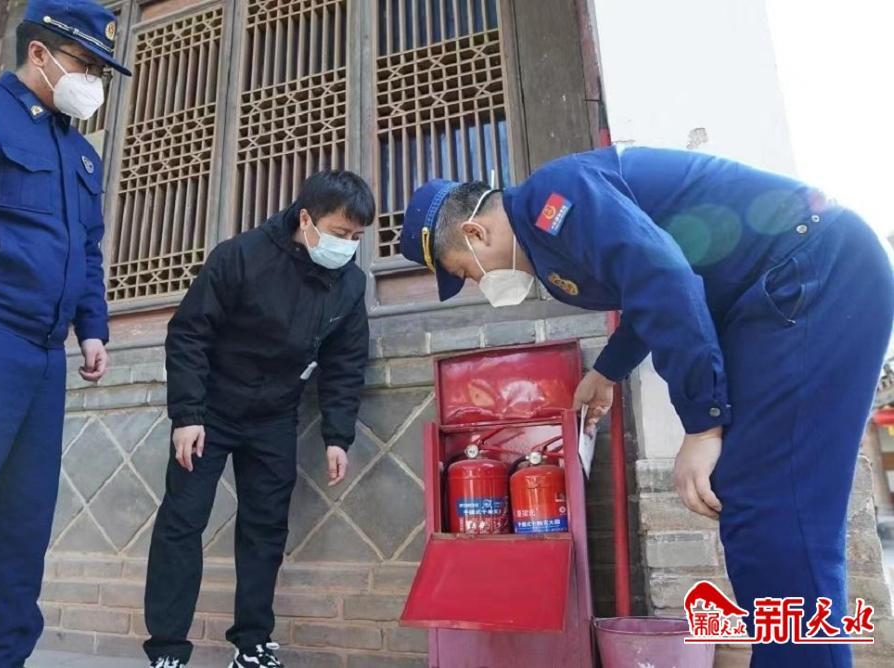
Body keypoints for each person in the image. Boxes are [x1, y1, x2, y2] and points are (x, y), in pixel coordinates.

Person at [399, 147, 893, 668]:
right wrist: (608, 370)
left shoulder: (554, 199)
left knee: (775, 510)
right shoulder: (549, 233)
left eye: (466, 272)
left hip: (811, 274)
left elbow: (664, 279)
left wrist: (703, 426)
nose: (479, 284)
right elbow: (646, 288)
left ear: (475, 233)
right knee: (762, 506)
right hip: (782, 290)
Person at [0, 1, 130, 666]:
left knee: (22, 523)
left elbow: (87, 250)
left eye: (100, 72)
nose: (93, 82)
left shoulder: (81, 155)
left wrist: (93, 327)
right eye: (86, 65)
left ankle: (0, 657)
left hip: (45, 356)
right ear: (40, 53)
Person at [143, 171, 374, 668]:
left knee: (265, 529)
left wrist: (337, 435)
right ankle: (167, 650)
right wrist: (187, 414)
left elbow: (346, 362)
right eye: (340, 233)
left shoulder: (350, 284)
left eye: (356, 237)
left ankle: (252, 645)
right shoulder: (241, 256)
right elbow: (189, 334)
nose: (347, 246)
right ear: (306, 219)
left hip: (274, 415)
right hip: (211, 409)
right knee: (183, 521)